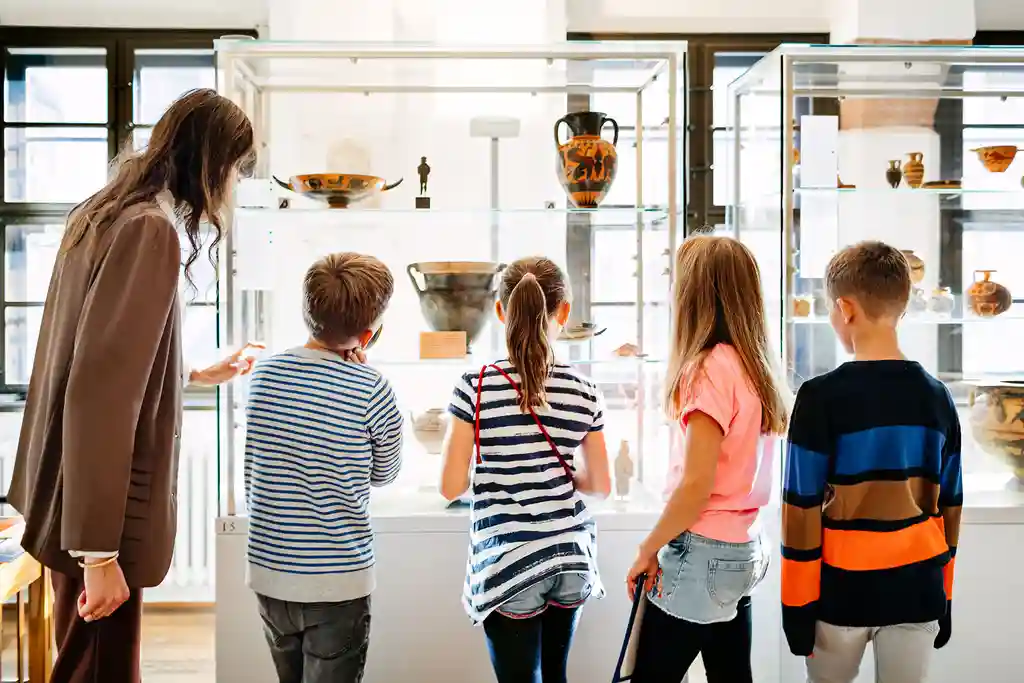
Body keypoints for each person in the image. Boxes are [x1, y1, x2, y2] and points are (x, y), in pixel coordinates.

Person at [7, 88, 259, 683]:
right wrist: (100, 553)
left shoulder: (102, 212)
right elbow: (98, 395)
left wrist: (196, 371)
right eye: (234, 169)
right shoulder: (151, 231)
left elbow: (92, 358)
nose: (232, 187)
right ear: (210, 163)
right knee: (98, 670)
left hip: (71, 495)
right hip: (103, 515)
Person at [781, 241, 962, 683]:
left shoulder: (820, 398)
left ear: (845, 309)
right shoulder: (937, 396)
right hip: (918, 588)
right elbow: (951, 507)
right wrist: (946, 593)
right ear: (902, 305)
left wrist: (797, 607)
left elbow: (799, 511)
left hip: (842, 593)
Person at [440, 256, 611, 683]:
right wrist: (567, 474)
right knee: (556, 677)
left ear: (500, 312)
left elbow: (449, 486)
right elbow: (602, 485)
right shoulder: (585, 389)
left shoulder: (475, 385)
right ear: (564, 312)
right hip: (570, 557)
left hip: (508, 562)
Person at [626, 235, 789, 683]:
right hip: (745, 549)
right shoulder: (755, 367)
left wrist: (648, 547)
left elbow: (697, 484)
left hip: (702, 553)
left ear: (694, 296)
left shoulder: (708, 369)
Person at [244, 252, 403, 683]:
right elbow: (385, 473)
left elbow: (264, 458)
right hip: (338, 581)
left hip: (270, 573)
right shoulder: (372, 388)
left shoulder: (263, 375)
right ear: (367, 335)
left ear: (307, 312)